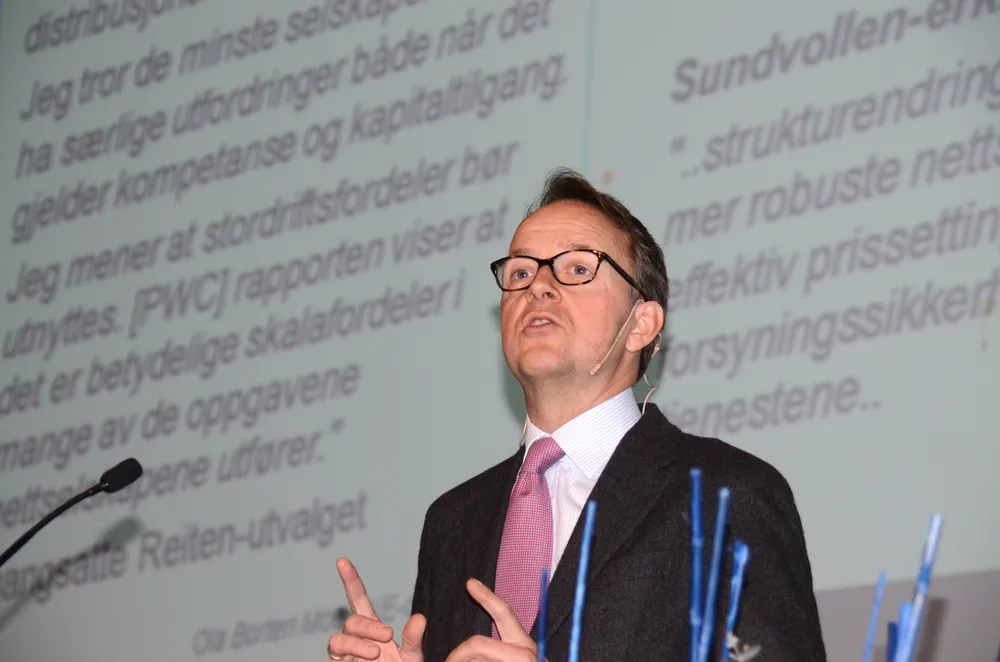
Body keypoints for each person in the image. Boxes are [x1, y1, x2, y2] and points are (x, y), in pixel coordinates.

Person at [325, 168, 827, 661]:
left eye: (578, 268)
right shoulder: (451, 522)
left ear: (641, 324)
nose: (538, 287)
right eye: (520, 272)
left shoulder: (726, 493)